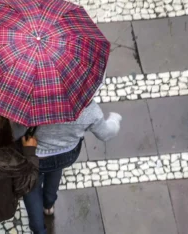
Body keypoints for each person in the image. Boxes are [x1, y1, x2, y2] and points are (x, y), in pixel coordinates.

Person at [11, 99, 122, 234]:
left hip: (33, 154)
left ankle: (39, 230)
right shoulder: (85, 106)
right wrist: (115, 119)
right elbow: (106, 133)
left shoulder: (27, 104)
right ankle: (49, 204)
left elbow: (15, 134)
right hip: (66, 154)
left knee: (31, 187)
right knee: (55, 172)